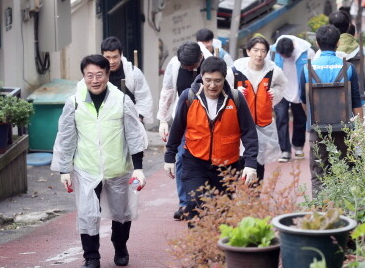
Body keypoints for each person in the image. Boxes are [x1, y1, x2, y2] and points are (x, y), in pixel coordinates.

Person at [52, 55, 148, 268]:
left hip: (117, 167)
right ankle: (91, 258)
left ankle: (120, 245)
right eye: (89, 75)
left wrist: (138, 167)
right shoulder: (74, 102)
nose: (94, 80)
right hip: (86, 167)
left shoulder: (122, 100)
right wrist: (64, 169)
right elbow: (66, 137)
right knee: (87, 213)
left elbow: (134, 136)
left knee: (121, 213)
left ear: (108, 75)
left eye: (99, 75)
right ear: (83, 76)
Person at [164, 57, 259, 220]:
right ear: (201, 77)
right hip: (195, 161)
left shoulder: (235, 98)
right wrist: (169, 157)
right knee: (196, 205)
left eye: (217, 81)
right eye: (208, 80)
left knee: (223, 212)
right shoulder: (189, 96)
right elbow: (177, 128)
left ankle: (219, 245)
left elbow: (249, 132)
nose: (212, 85)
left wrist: (251, 164)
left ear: (224, 78)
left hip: (226, 165)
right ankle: (198, 245)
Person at [300, 25, 363, 192]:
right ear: (338, 42)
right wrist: (360, 129)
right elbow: (356, 102)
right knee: (347, 171)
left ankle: (319, 213)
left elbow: (303, 100)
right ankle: (347, 214)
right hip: (344, 129)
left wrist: (312, 118)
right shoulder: (348, 68)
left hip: (317, 128)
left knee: (318, 174)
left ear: (317, 43)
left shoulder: (307, 68)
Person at [226, 36, 287, 180]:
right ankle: (239, 197)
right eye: (256, 50)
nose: (259, 54)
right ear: (248, 51)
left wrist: (275, 93)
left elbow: (282, 85)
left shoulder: (274, 71)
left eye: (263, 51)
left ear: (267, 53)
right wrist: (235, 93)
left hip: (262, 126)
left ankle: (255, 197)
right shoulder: (234, 71)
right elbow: (223, 91)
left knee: (259, 163)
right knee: (239, 161)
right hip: (239, 125)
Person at [156, 42, 204, 220]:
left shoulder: (212, 62)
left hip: (209, 120)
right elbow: (168, 91)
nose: (189, 68)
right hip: (184, 118)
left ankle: (206, 202)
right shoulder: (175, 64)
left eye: (192, 66)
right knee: (181, 159)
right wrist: (163, 120)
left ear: (200, 58)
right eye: (186, 66)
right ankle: (185, 203)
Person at [317, 11, 365, 104]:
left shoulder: (321, 53)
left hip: (330, 105)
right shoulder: (362, 51)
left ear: (330, 27)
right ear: (348, 26)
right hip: (359, 103)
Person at [271, 35, 315, 162]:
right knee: (281, 118)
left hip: (299, 89)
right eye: (282, 55)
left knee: (300, 118)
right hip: (281, 89)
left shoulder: (307, 52)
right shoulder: (274, 51)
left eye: (286, 55)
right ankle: (285, 150)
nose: (284, 57)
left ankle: (298, 146)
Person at [101, 37, 153, 125]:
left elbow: (144, 98)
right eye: (108, 57)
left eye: (115, 57)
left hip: (132, 120)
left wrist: (138, 118)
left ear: (121, 54)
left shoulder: (133, 73)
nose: (111, 61)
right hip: (106, 122)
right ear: (102, 55)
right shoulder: (98, 74)